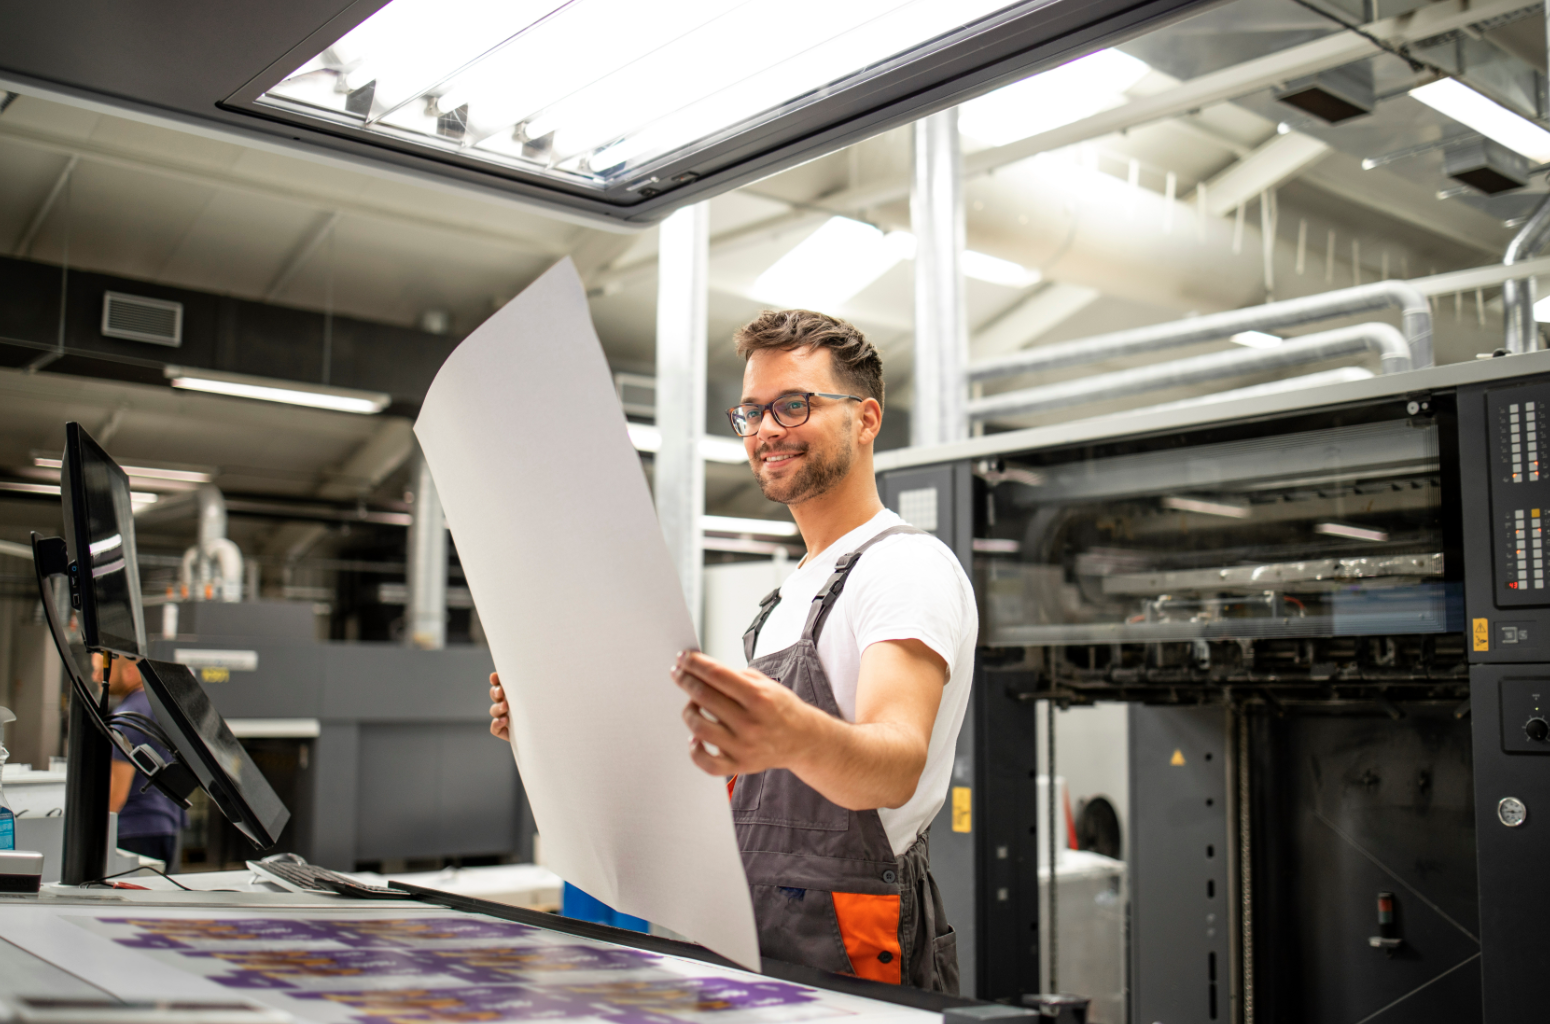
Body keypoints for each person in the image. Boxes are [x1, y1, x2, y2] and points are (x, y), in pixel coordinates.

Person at [489, 309, 975, 992]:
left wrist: (794, 736)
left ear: (866, 420)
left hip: (848, 935)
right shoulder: (786, 598)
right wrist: (552, 728)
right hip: (748, 928)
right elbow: (734, 787)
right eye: (752, 413)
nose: (767, 429)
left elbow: (895, 764)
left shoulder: (903, 568)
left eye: (793, 404)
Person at [94, 653, 188, 869]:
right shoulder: (160, 707)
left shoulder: (128, 716)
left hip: (132, 830)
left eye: (102, 670)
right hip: (166, 825)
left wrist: (87, 835)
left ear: (129, 673)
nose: (96, 675)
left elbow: (115, 796)